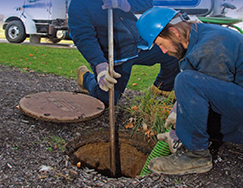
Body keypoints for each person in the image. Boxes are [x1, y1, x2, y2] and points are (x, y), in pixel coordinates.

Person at [136, 7, 243, 175]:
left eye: (161, 44)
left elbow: (202, 92)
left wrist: (180, 134)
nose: (163, 51)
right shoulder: (197, 38)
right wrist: (179, 113)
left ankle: (196, 157)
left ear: (175, 33)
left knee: (185, 80)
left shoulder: (209, 49)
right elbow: (207, 89)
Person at [68, 0, 179, 107]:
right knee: (107, 100)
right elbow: (84, 37)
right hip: (115, 55)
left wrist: (127, 3)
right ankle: (85, 78)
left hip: (138, 44)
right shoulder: (78, 4)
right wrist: (99, 64)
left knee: (173, 51)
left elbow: (147, 2)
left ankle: (162, 87)